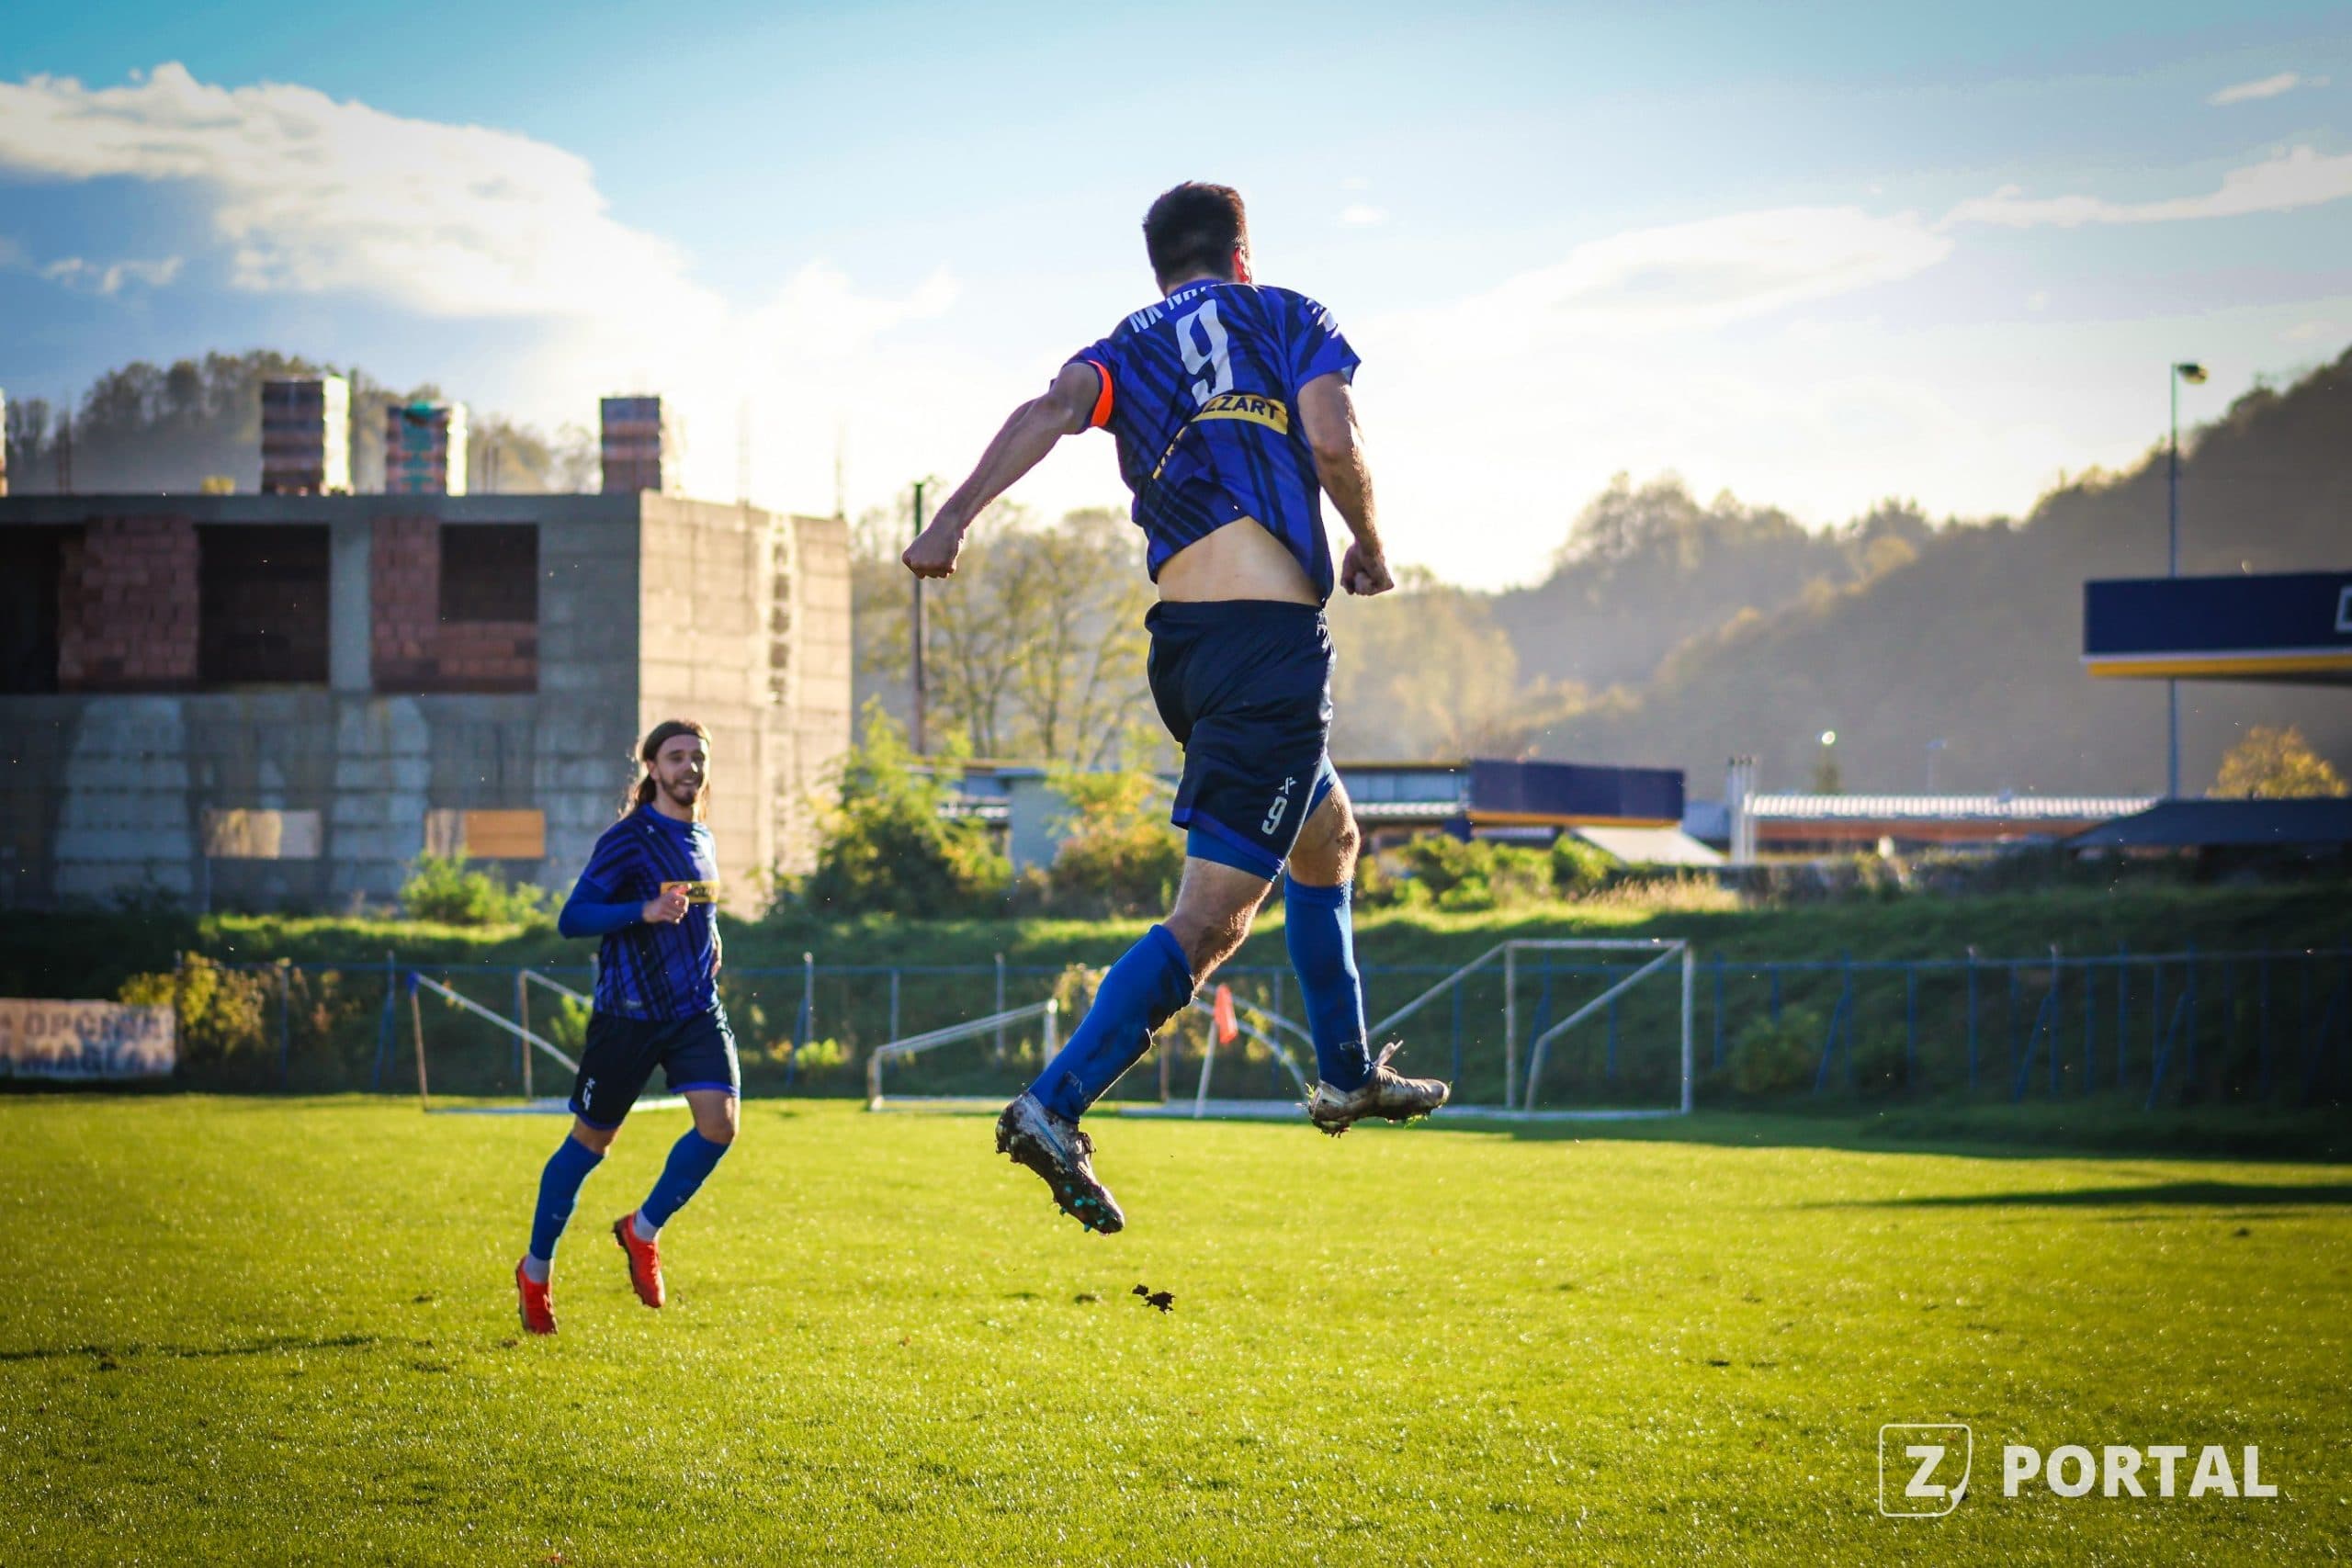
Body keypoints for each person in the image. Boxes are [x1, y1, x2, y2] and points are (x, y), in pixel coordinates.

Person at [905, 181, 1449, 1235]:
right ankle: (1053, 1104)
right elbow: (1331, 438)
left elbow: (1048, 412)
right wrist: (1369, 545)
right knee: (1212, 921)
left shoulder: (1127, 343)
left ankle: (1346, 1073)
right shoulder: (1286, 313)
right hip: (1267, 654)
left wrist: (953, 519)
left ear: (1160, 270)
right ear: (1242, 255)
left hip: (1187, 654)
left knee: (1328, 837)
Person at [514, 719, 740, 1335]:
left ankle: (642, 1230)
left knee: (719, 1126)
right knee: (591, 1143)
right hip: (628, 1015)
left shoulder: (703, 835)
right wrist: (643, 909)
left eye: (698, 756)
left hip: (694, 1010)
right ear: (653, 768)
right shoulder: (629, 839)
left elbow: (695, 904)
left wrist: (712, 934)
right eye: (677, 757)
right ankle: (536, 1270)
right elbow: (573, 918)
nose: (690, 767)